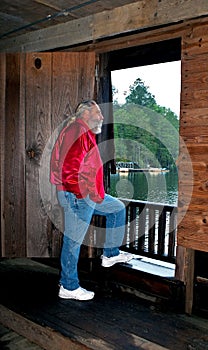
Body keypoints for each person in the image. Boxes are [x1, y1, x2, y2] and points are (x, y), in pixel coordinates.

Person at [50, 100, 132, 301]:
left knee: (117, 208)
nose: (102, 117)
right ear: (85, 114)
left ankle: (110, 254)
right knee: (74, 240)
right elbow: (69, 169)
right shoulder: (77, 130)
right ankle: (68, 286)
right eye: (98, 113)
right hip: (79, 195)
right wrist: (80, 195)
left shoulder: (82, 131)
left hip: (90, 194)